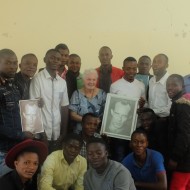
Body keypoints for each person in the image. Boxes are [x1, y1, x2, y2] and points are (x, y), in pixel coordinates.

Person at [0, 49, 34, 177]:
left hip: (16, 148)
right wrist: (21, 134)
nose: (13, 67)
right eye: (9, 63)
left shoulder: (13, 86)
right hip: (2, 150)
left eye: (15, 63)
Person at [29, 49, 69, 153]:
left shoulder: (62, 82)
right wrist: (43, 135)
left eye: (58, 59)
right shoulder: (37, 79)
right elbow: (33, 108)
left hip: (56, 135)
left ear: (61, 62)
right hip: (41, 135)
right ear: (45, 59)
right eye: (52, 58)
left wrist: (63, 133)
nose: (55, 61)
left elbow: (64, 107)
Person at [109, 56, 146, 161]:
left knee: (134, 159)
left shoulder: (141, 85)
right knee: (119, 157)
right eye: (128, 68)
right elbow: (111, 106)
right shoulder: (115, 86)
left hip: (136, 128)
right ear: (123, 68)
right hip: (119, 131)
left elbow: (144, 106)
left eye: (134, 68)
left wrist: (142, 106)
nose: (131, 71)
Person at [166, 74, 190, 190]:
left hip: (183, 161)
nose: (170, 88)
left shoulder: (182, 104)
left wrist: (175, 158)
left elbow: (184, 134)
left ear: (182, 86)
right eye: (168, 85)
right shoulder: (180, 102)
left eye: (174, 85)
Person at [69, 69, 106, 134]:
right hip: (80, 131)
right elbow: (73, 115)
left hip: (97, 131)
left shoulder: (102, 94)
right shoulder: (76, 93)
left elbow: (106, 113)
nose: (91, 82)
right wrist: (90, 121)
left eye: (94, 80)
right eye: (88, 79)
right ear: (83, 80)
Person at [148, 54, 171, 118]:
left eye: (159, 62)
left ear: (166, 65)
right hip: (150, 119)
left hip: (164, 121)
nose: (155, 64)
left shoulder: (170, 82)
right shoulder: (151, 80)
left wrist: (151, 112)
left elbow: (170, 108)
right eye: (154, 62)